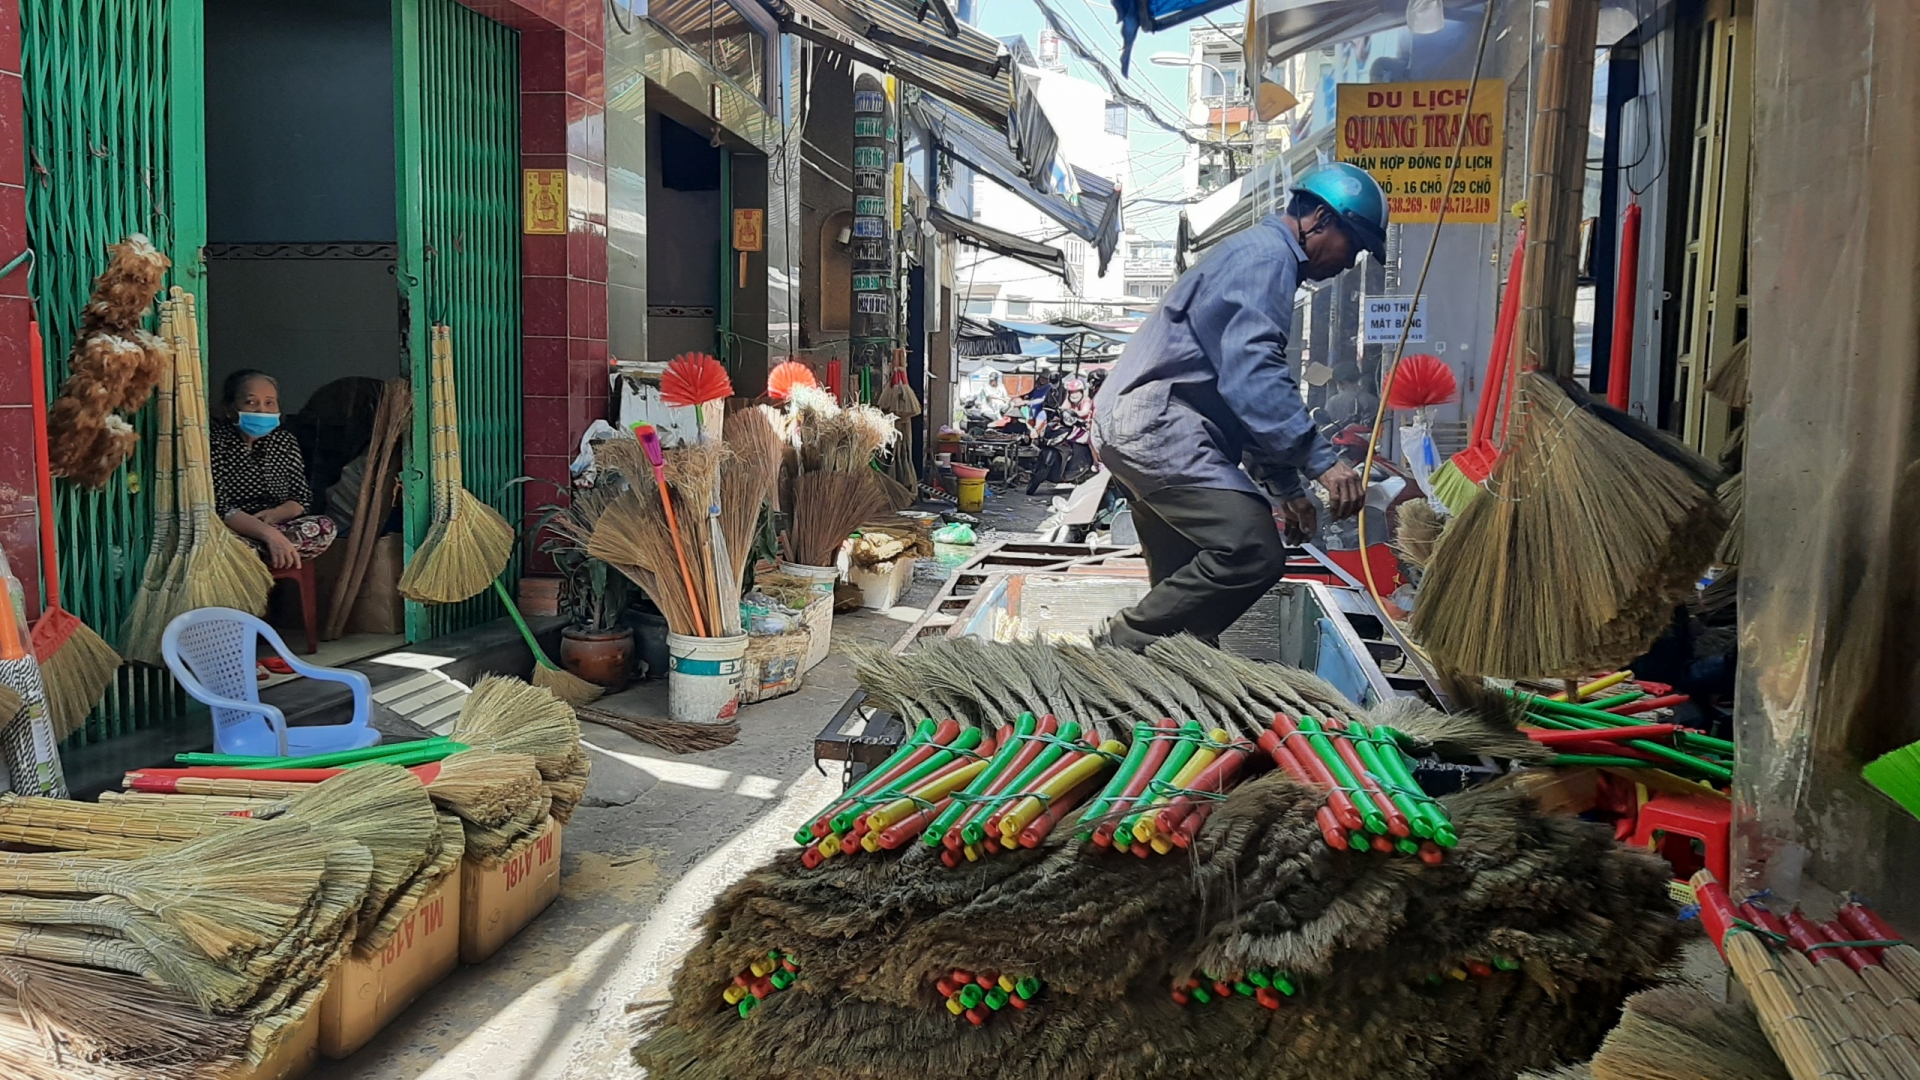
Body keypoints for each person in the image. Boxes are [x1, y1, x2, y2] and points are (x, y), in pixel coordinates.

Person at [1091, 162, 1386, 651]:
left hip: (1141, 429)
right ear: (1319, 219)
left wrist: (1287, 487)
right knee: (1252, 550)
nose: (1350, 261)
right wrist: (1322, 463)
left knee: (1187, 610)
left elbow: (1241, 400)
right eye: (1352, 244)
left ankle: (1168, 676)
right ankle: (1121, 647)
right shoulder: (1267, 259)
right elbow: (1253, 375)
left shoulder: (1260, 256)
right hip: (1161, 430)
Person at [211, 370, 337, 570]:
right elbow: (217, 505)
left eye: (270, 402)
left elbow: (301, 497)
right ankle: (266, 552)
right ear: (230, 408)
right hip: (233, 529)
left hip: (278, 525)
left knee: (324, 527)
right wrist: (268, 534)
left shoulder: (284, 441)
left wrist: (276, 515)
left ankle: (253, 557)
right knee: (216, 541)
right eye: (251, 402)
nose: (262, 409)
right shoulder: (215, 442)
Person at [1028, 375, 1094, 494]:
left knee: (1090, 442)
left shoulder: (1086, 401)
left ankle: (1095, 463)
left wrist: (1073, 413)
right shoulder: (1067, 399)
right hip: (1070, 427)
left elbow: (1084, 412)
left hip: (1084, 428)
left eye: (1076, 392)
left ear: (1081, 392)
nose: (1074, 395)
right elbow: (1063, 408)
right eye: (1072, 392)